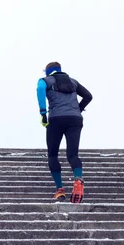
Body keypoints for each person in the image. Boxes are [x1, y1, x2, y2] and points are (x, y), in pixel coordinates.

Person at [36, 62, 92, 203]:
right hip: (75, 119)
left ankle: (60, 189)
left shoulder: (45, 81)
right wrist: (78, 108)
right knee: (73, 154)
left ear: (48, 71)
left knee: (53, 154)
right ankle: (78, 180)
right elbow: (88, 96)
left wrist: (43, 113)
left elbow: (40, 91)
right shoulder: (73, 82)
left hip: (56, 119)